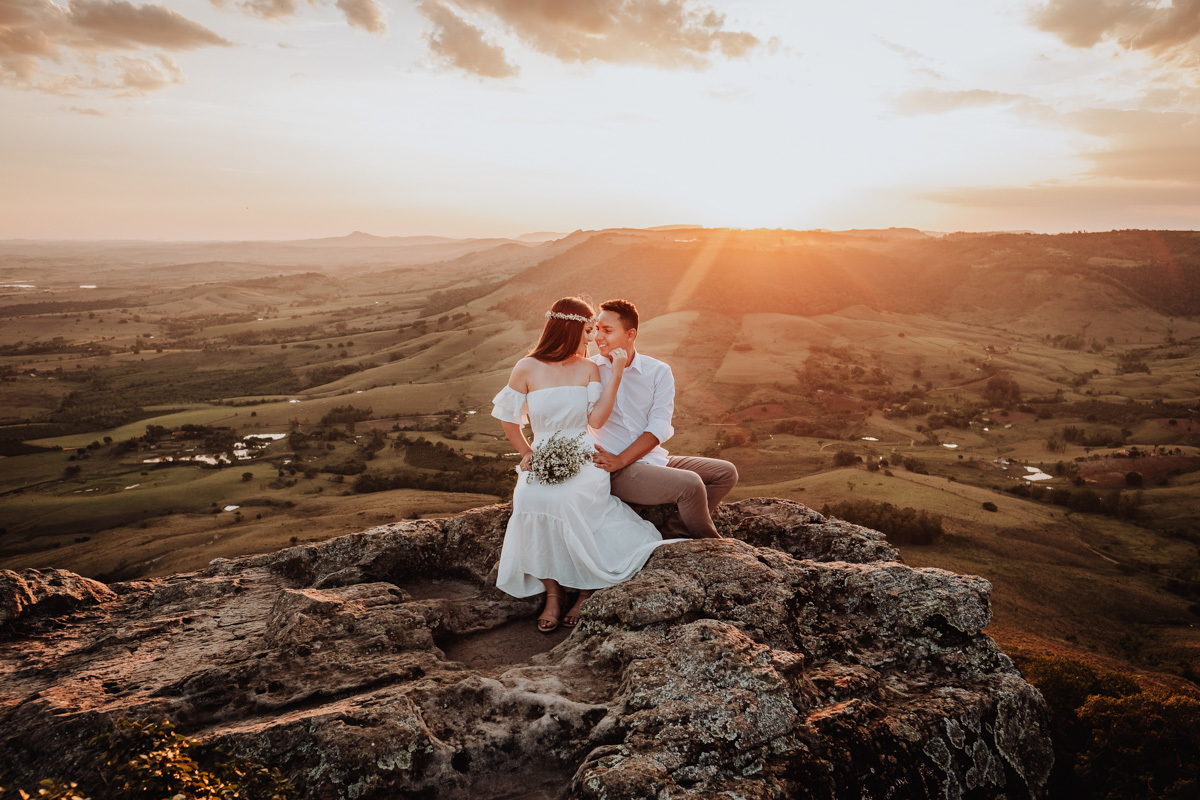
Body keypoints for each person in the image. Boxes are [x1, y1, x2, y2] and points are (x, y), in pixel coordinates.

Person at [490, 296, 680, 632]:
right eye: (588, 330)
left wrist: (617, 374)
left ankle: (586, 589)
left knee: (568, 500)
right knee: (531, 500)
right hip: (543, 451)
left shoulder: (589, 367)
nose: (592, 338)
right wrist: (525, 452)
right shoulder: (526, 367)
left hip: (582, 450)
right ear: (569, 329)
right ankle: (552, 594)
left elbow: (597, 417)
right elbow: (508, 418)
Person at [590, 299, 738, 539]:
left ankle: (674, 532)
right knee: (690, 485)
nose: (599, 337)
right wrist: (616, 462)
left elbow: (659, 426)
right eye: (597, 329)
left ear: (630, 334)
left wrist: (622, 458)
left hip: (650, 459)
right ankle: (713, 543)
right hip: (614, 471)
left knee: (726, 472)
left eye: (607, 330)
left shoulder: (658, 371)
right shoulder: (590, 370)